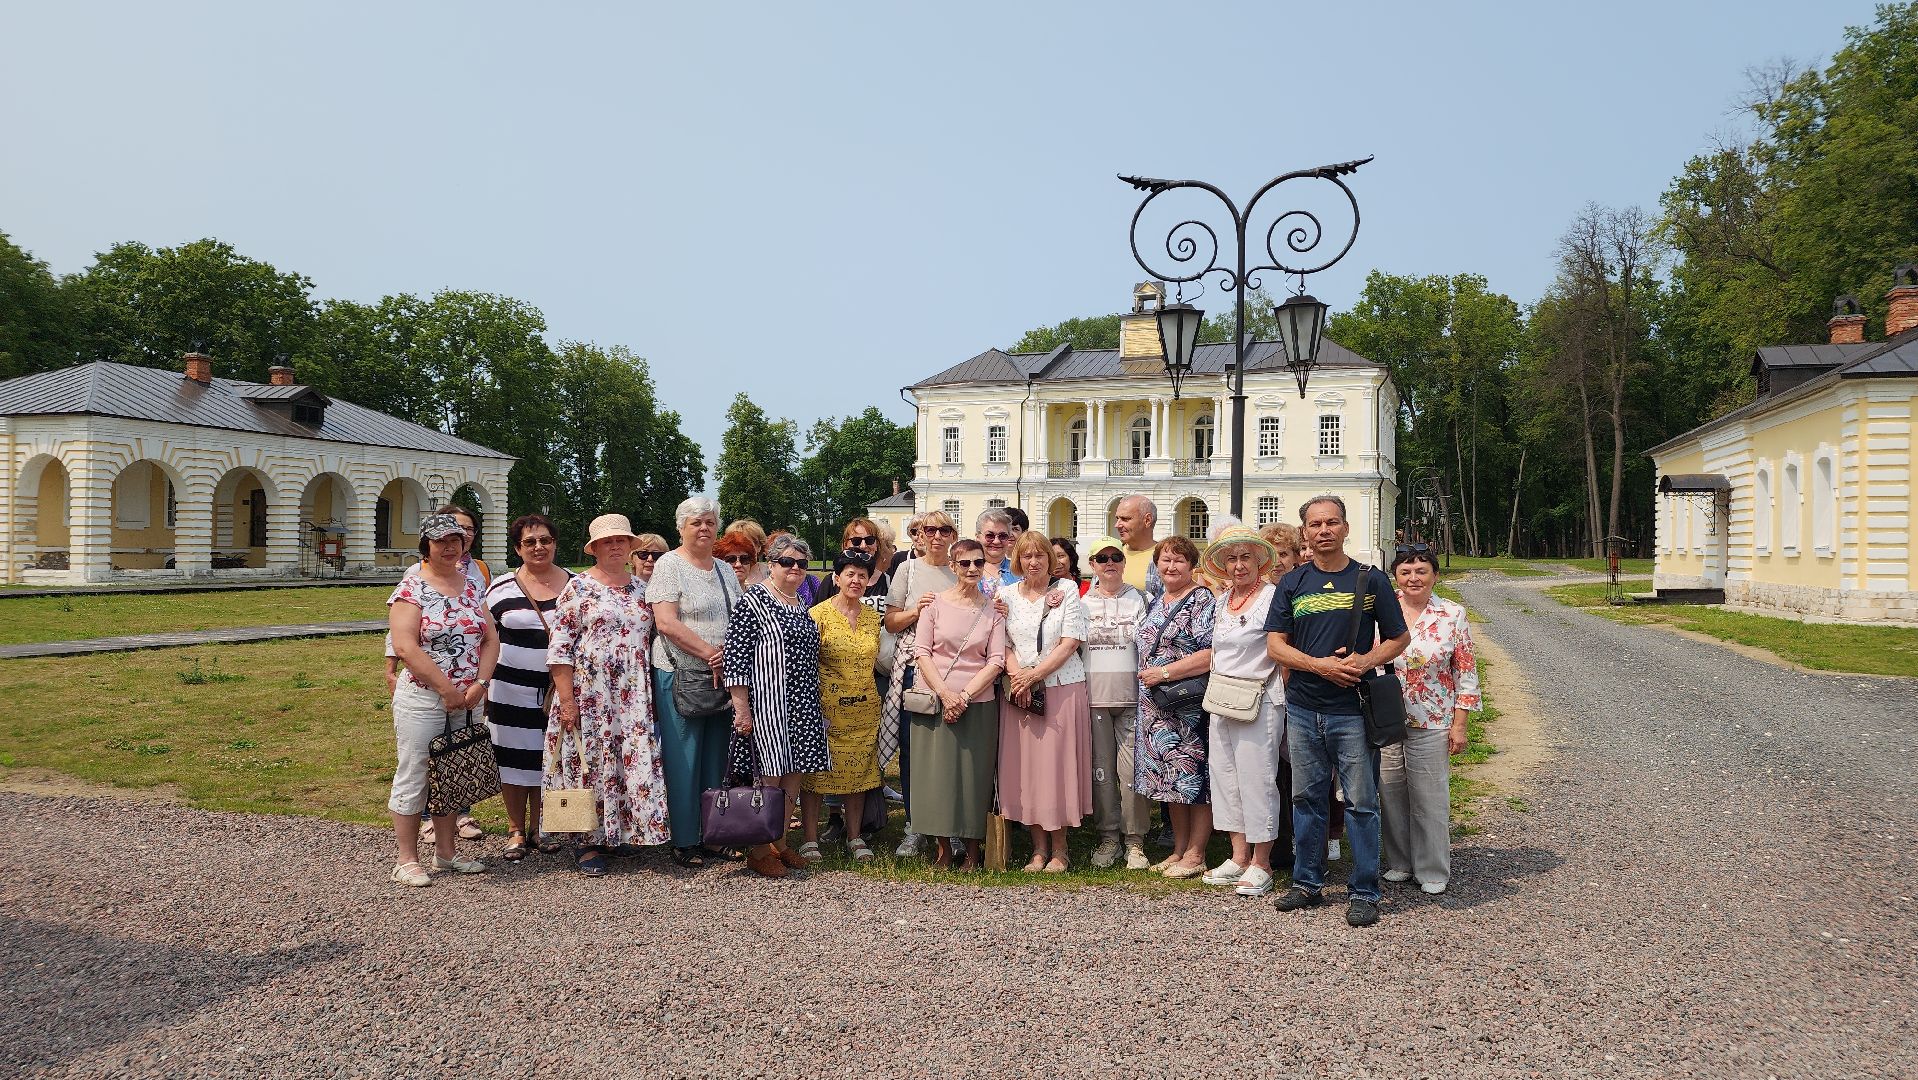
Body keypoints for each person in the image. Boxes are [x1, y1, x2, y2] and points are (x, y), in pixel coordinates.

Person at [1265, 495, 1412, 928]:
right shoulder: (1292, 583)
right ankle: (1307, 882)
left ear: (1346, 528)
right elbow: (1276, 645)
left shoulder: (1370, 580)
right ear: (1304, 533)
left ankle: (1365, 890)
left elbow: (1398, 638)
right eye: (1315, 524)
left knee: (1362, 802)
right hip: (1304, 707)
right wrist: (1319, 666)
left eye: (1332, 523)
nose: (1324, 530)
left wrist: (1363, 662)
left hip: (1352, 709)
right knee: (1306, 798)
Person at [545, 514, 671, 877]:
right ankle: (586, 841)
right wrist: (567, 701)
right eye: (607, 541)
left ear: (630, 547)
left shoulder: (641, 590)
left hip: (631, 696)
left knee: (626, 762)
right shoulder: (578, 588)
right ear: (595, 548)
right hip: (590, 693)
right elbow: (560, 649)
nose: (615, 546)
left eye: (621, 540)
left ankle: (618, 834)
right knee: (591, 763)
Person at [384, 513, 499, 887]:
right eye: (440, 541)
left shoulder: (470, 586)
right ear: (426, 546)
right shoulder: (412, 587)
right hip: (424, 697)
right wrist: (446, 689)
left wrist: (480, 683)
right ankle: (406, 859)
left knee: (453, 773)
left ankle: (447, 854)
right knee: (416, 772)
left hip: (468, 696)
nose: (449, 547)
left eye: (456, 540)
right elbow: (405, 644)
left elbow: (490, 639)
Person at [723, 533, 832, 878]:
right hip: (767, 705)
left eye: (802, 563)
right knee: (768, 779)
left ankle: (780, 843)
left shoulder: (799, 602)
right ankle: (758, 850)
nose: (795, 568)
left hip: (802, 704)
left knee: (793, 777)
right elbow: (736, 660)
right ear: (771, 564)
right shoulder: (753, 601)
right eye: (787, 562)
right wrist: (742, 710)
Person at [1381, 545, 1480, 895]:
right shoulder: (1382, 607)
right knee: (1390, 791)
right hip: (1385, 716)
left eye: (1421, 571)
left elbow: (1465, 671)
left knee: (1428, 796)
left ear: (1435, 575)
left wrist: (1461, 722)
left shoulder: (1451, 614)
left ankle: (1432, 867)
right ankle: (1400, 862)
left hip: (1433, 717)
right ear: (1396, 575)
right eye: (1406, 571)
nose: (1413, 578)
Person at [651, 497, 743, 868]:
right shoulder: (668, 566)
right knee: (683, 757)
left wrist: (730, 656)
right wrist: (709, 652)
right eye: (695, 523)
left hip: (723, 675)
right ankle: (685, 838)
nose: (703, 528)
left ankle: (713, 833)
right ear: (680, 528)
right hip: (682, 672)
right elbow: (666, 623)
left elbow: (739, 616)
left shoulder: (723, 568)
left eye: (709, 522)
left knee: (715, 758)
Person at [1195, 520, 1286, 898]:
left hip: (1260, 697)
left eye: (1246, 557)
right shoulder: (1222, 601)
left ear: (1259, 560)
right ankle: (1237, 854)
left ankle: (1261, 862)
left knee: (1258, 778)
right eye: (1231, 559)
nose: (1238, 565)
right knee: (1225, 776)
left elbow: (1282, 651)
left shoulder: (1272, 597)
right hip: (1222, 697)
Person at [906, 537, 1006, 870]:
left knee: (974, 778)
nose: (973, 569)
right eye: (965, 563)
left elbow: (995, 660)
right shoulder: (934, 605)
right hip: (935, 701)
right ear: (953, 566)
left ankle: (974, 852)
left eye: (979, 562)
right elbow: (921, 652)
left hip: (978, 702)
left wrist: (963, 697)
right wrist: (946, 695)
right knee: (937, 778)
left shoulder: (993, 610)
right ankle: (943, 850)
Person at [998, 530, 1091, 872]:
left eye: (1039, 555)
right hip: (1020, 692)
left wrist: (1034, 675)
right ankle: (1037, 849)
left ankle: (1061, 849)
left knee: (1056, 769)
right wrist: (1018, 676)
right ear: (1017, 561)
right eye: (1026, 556)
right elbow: (1003, 642)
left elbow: (1070, 642)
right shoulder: (1005, 593)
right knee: (1028, 769)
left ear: (1050, 560)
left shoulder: (1065, 589)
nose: (1033, 561)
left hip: (1060, 687)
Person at [484, 513, 573, 861]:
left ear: (555, 543)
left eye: (546, 540)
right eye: (530, 542)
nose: (539, 547)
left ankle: (542, 826)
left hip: (560, 690)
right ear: (518, 548)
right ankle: (515, 830)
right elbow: (485, 634)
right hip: (510, 688)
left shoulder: (576, 584)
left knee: (548, 758)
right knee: (512, 759)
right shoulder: (500, 588)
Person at [1134, 534, 1215, 879]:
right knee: (1169, 779)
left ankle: (1197, 854)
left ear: (1192, 566)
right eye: (1165, 560)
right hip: (1155, 708)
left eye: (1179, 560)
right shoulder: (1155, 602)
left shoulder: (1200, 599)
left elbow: (1211, 652)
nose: (1171, 566)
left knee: (1193, 777)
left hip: (1187, 705)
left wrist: (1165, 672)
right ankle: (1178, 849)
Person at [882, 509, 959, 858]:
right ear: (921, 534)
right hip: (914, 670)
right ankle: (915, 826)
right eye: (931, 529)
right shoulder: (907, 569)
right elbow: (890, 622)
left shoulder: (961, 570)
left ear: (952, 535)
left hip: (957, 672)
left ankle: (951, 826)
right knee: (913, 751)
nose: (937, 536)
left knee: (951, 752)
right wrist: (916, 610)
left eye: (945, 530)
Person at [800, 550, 885, 860]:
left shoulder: (874, 619)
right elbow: (805, 664)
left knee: (858, 773)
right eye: (850, 574)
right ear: (836, 578)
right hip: (825, 709)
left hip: (863, 708)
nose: (856, 580)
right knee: (816, 773)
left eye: (862, 575)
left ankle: (854, 836)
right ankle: (810, 838)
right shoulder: (816, 615)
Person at [1081, 535, 1151, 869]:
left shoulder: (1142, 599)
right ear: (1092, 564)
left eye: (1116, 557)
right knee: (1102, 773)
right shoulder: (1079, 603)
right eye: (1102, 558)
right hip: (1094, 697)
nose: (1110, 563)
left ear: (1124, 563)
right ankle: (1108, 838)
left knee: (1131, 771)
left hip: (1133, 697)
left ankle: (1135, 841)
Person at [1113, 495, 1163, 602]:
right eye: (1117, 518)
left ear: (1147, 520)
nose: (1117, 525)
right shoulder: (1106, 556)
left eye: (1125, 519)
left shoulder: (1166, 560)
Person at [974, 508, 1020, 594]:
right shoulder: (965, 569)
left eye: (1002, 536)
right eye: (990, 535)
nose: (996, 541)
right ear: (977, 537)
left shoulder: (1020, 570)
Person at [726, 519, 770, 586]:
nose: (743, 550)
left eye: (748, 545)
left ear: (759, 546)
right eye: (737, 544)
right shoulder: (724, 572)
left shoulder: (771, 572)